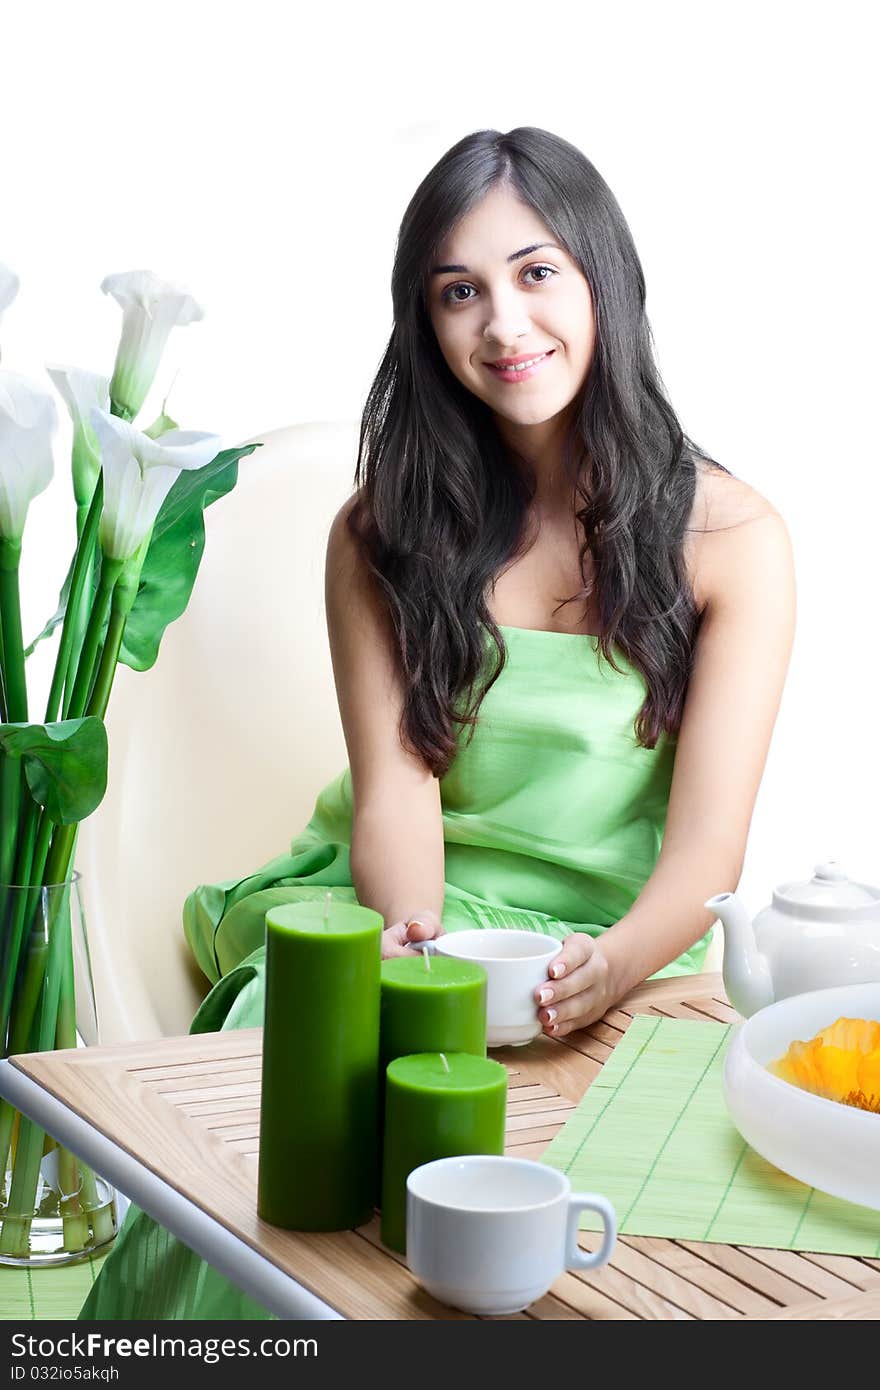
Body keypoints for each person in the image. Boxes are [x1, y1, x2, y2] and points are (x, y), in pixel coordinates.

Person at [80, 126, 795, 1320]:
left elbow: (706, 855)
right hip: (416, 919)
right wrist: (420, 957)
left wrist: (605, 969)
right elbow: (397, 802)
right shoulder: (377, 535)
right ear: (424, 321)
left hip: (621, 945)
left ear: (601, 279)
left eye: (535, 273)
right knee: (311, 1059)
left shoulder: (733, 540)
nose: (503, 326)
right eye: (458, 291)